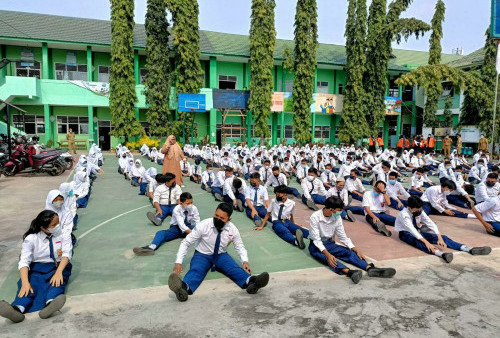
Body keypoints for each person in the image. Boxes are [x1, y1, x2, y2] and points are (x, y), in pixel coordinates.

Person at [168, 203, 269, 302]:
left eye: (222, 218)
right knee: (196, 270)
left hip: (221, 255)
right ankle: (183, 289)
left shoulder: (232, 229)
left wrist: (245, 261)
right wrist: (178, 262)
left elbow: (240, 246)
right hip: (202, 254)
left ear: (228, 219)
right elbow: (186, 242)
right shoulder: (203, 225)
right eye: (216, 215)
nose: (218, 219)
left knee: (233, 268)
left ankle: (252, 282)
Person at [0, 211, 72, 322]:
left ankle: (51, 304)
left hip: (58, 266)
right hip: (37, 268)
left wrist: (58, 272)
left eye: (58, 223)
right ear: (43, 228)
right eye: (54, 225)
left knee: (57, 282)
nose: (58, 226)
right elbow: (24, 261)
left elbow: (66, 254)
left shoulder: (64, 234)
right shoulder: (31, 239)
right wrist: (25, 282)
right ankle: (17, 309)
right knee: (28, 286)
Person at [308, 196, 396, 284]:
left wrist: (354, 248)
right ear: (331, 209)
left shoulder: (336, 217)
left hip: (329, 243)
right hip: (316, 246)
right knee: (329, 259)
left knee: (348, 252)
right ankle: (350, 272)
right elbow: (316, 240)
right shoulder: (315, 217)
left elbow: (342, 236)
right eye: (339, 210)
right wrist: (328, 255)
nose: (340, 212)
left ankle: (370, 268)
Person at [396, 196, 491, 263]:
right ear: (410, 208)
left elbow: (430, 223)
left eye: (420, 208)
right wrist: (427, 243)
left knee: (443, 237)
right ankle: (441, 254)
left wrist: (439, 237)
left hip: (418, 231)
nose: (419, 211)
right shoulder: (404, 215)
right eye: (416, 209)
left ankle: (468, 249)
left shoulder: (419, 211)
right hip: (406, 233)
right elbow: (413, 231)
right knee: (418, 242)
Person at [133, 193, 200, 255]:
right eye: (188, 203)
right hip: (176, 228)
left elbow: (197, 220)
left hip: (188, 226)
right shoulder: (177, 209)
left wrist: (198, 230)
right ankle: (151, 248)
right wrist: (194, 233)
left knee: (201, 230)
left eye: (191, 202)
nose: (190, 205)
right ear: (181, 203)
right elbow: (181, 225)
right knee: (161, 233)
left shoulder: (194, 208)